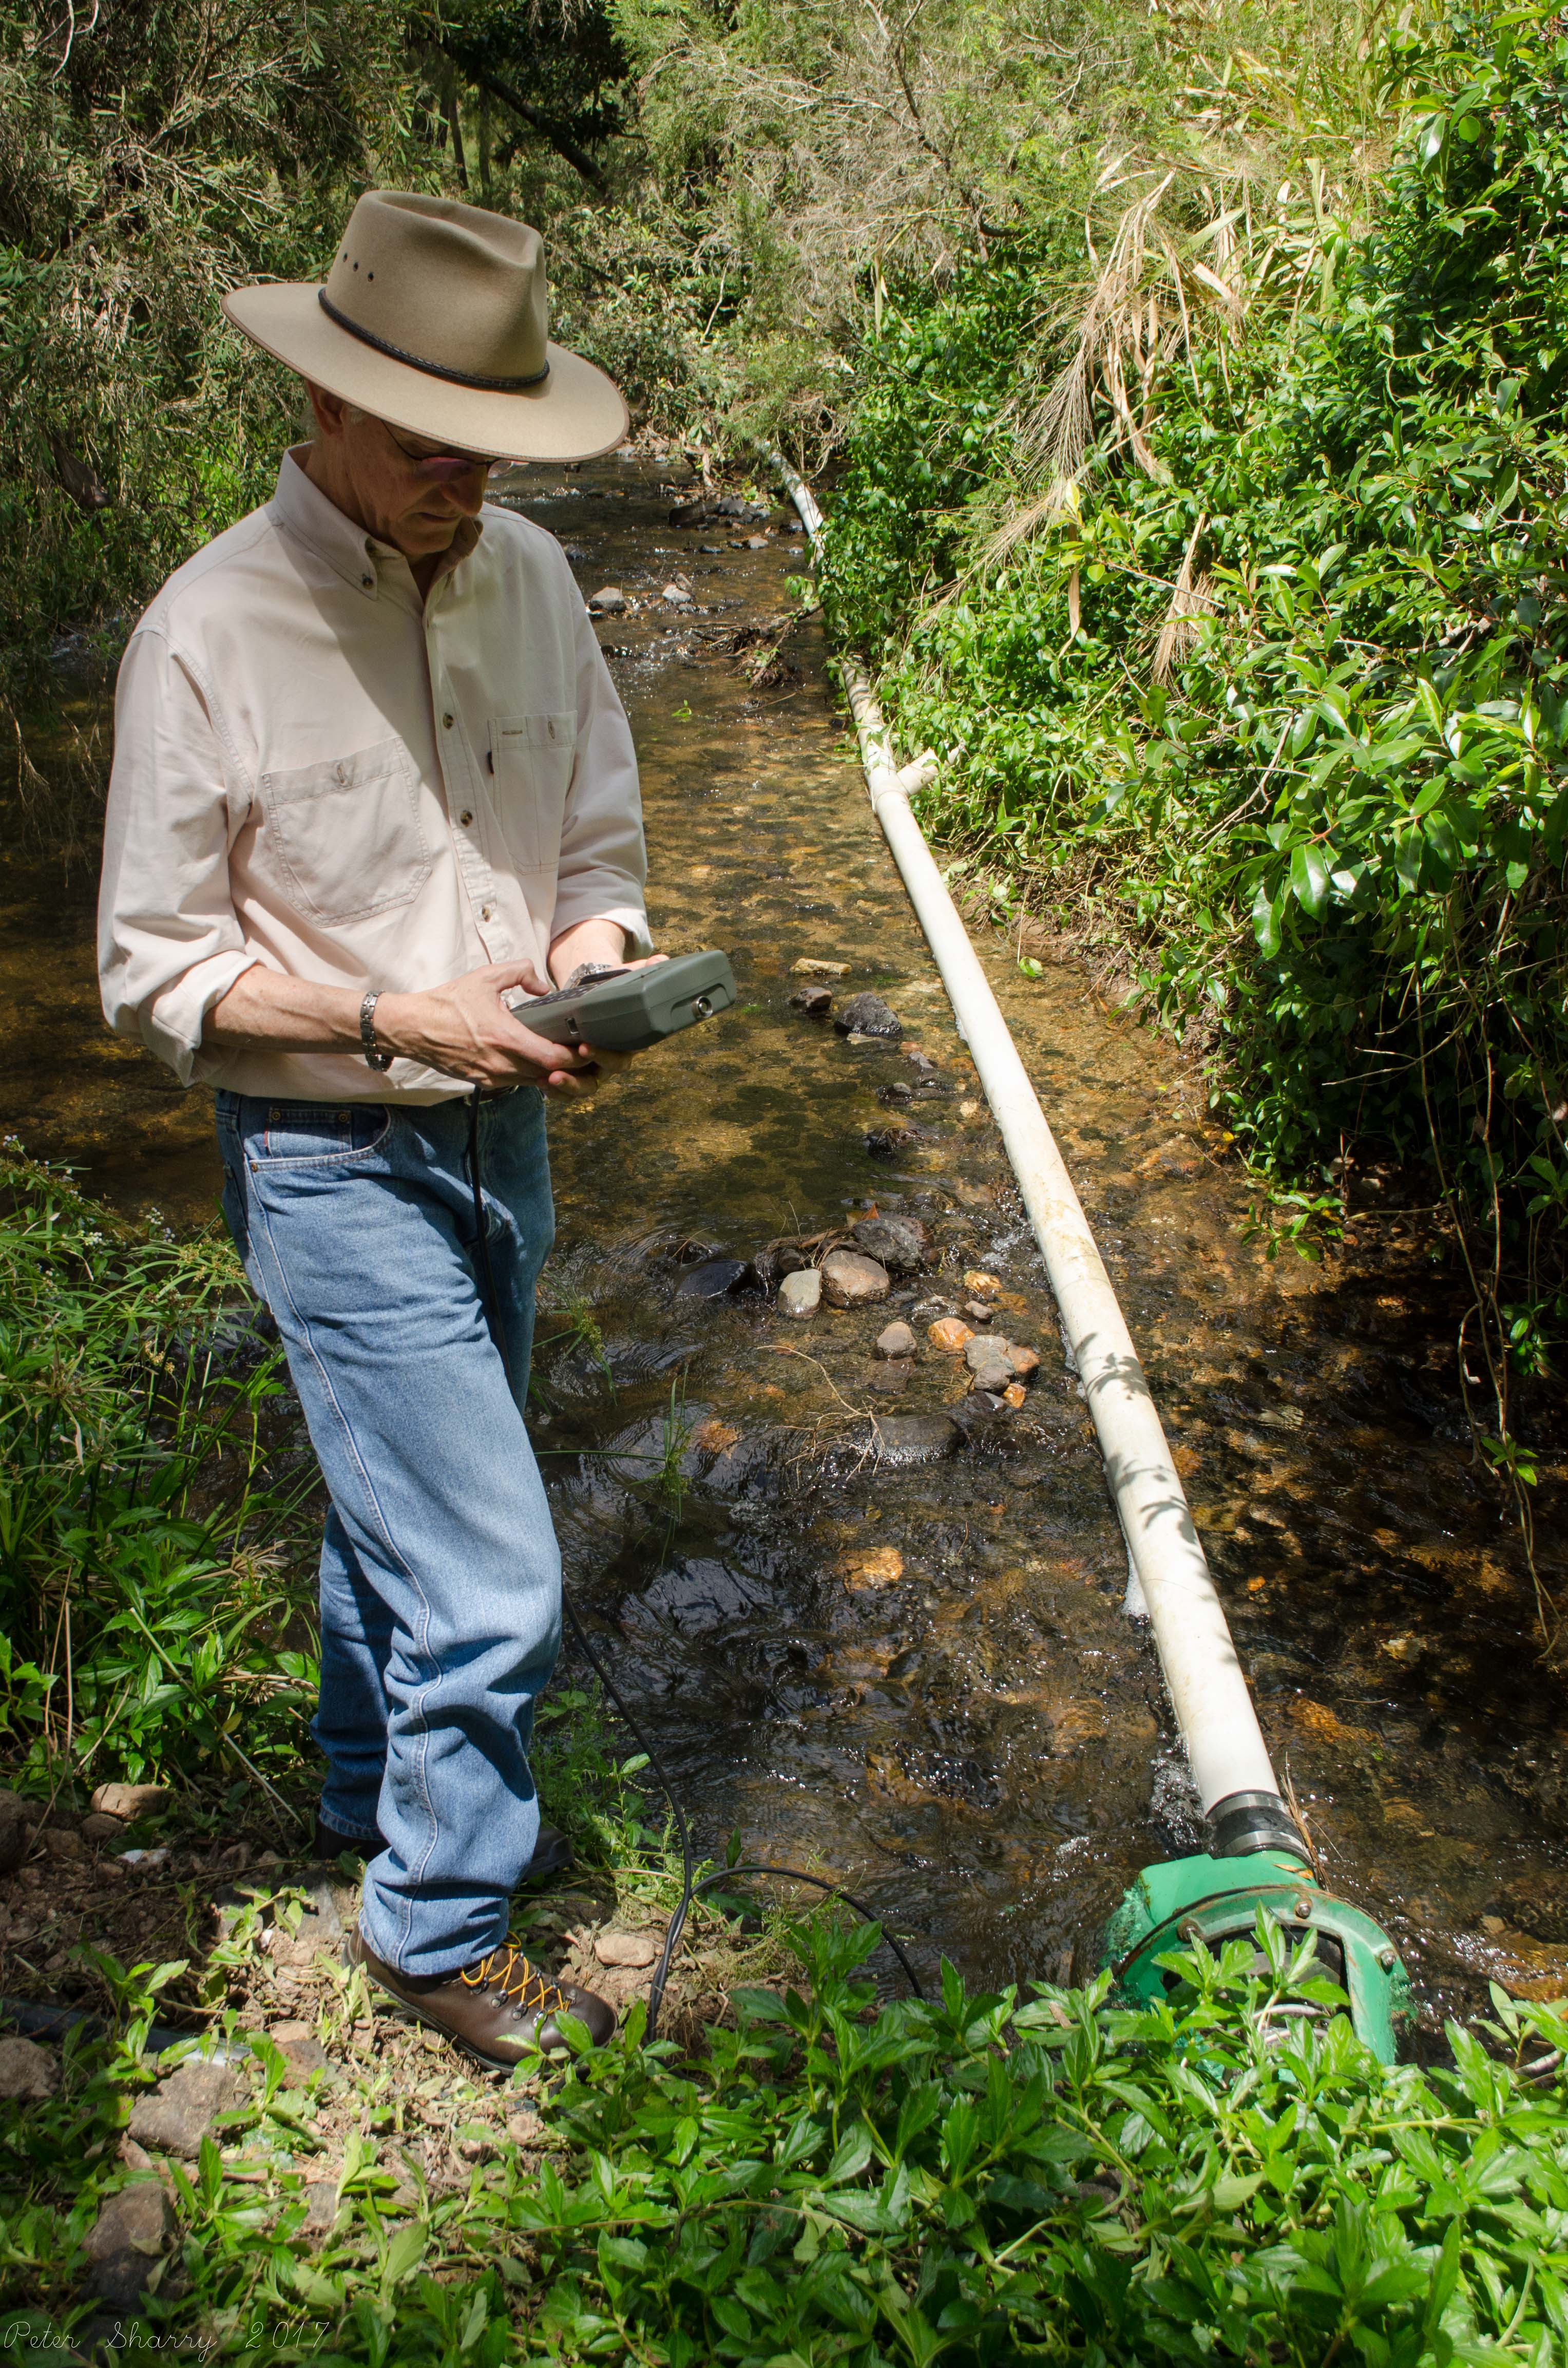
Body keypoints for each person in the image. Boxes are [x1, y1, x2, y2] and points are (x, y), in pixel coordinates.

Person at [98, 189, 656, 2069]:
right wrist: (384, 1016)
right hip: (327, 1157)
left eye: (493, 448)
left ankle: (364, 1790)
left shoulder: (537, 581)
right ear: (325, 402)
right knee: (495, 1572)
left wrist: (593, 956)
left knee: (392, 1506)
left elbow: (597, 842)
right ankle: (436, 1926)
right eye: (430, 446)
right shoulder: (207, 631)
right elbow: (154, 974)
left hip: (510, 1138)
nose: (467, 484)